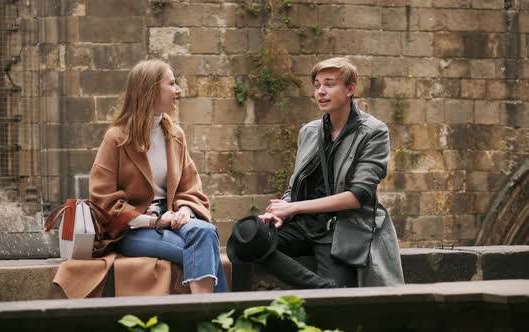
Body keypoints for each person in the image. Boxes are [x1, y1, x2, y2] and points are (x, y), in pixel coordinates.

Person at [253, 57, 404, 288]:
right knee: (246, 240)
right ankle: (323, 289)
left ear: (350, 89)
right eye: (316, 85)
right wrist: (281, 211)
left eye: (329, 84)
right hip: (304, 225)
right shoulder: (309, 132)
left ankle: (327, 291)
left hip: (342, 229)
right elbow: (296, 186)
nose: (321, 92)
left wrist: (293, 207)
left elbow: (357, 197)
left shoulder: (373, 132)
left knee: (335, 308)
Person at [89, 59, 228, 293]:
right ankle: (221, 322)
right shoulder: (116, 138)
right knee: (205, 245)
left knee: (204, 232)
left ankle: (213, 320)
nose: (178, 90)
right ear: (151, 90)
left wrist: (185, 210)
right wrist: (156, 221)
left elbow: (190, 187)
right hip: (133, 229)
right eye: (172, 84)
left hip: (174, 217)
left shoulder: (174, 134)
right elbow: (103, 201)